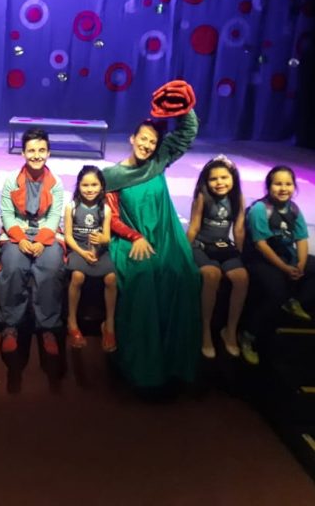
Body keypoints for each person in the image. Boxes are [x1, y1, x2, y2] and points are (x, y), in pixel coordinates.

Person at [103, 80, 201, 391]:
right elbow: (111, 217)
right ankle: (143, 366)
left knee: (184, 275)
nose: (146, 145)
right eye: (143, 139)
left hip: (165, 237)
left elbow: (188, 132)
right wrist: (134, 237)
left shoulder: (159, 161)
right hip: (131, 240)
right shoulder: (112, 176)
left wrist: (180, 105)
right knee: (144, 277)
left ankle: (176, 364)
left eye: (152, 142)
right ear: (132, 139)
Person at [0, 128, 65, 391]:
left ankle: (48, 328)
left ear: (48, 153)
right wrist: (21, 239)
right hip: (18, 233)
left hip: (46, 234)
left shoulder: (56, 183)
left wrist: (42, 241)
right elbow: (7, 214)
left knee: (51, 267)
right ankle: (11, 325)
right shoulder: (12, 180)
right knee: (12, 266)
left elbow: (54, 217)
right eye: (31, 150)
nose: (36, 155)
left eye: (41, 150)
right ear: (23, 153)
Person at [241, 165, 315, 365]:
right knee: (276, 292)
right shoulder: (259, 209)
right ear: (268, 186)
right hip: (261, 259)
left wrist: (300, 264)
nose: (283, 188)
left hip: (286, 256)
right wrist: (285, 268)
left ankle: (294, 301)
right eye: (278, 184)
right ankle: (248, 335)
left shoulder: (294, 208)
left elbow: (301, 239)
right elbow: (261, 245)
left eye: (288, 184)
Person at [186, 156, 248, 359]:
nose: (219, 182)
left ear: (233, 179)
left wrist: (242, 255)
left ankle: (230, 330)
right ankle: (205, 330)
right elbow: (194, 227)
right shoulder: (202, 197)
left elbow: (238, 230)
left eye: (224, 177)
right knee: (211, 275)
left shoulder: (237, 198)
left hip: (223, 246)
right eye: (214, 179)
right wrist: (184, 253)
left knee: (241, 278)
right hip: (201, 246)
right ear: (206, 181)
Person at [64, 165, 117, 352]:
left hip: (99, 251)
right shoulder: (71, 207)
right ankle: (72, 321)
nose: (89, 189)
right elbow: (68, 236)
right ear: (78, 186)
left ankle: (109, 324)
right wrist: (81, 252)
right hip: (78, 249)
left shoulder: (105, 209)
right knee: (77, 276)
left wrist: (101, 239)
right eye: (85, 185)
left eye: (94, 185)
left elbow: (107, 237)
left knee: (111, 278)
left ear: (101, 186)